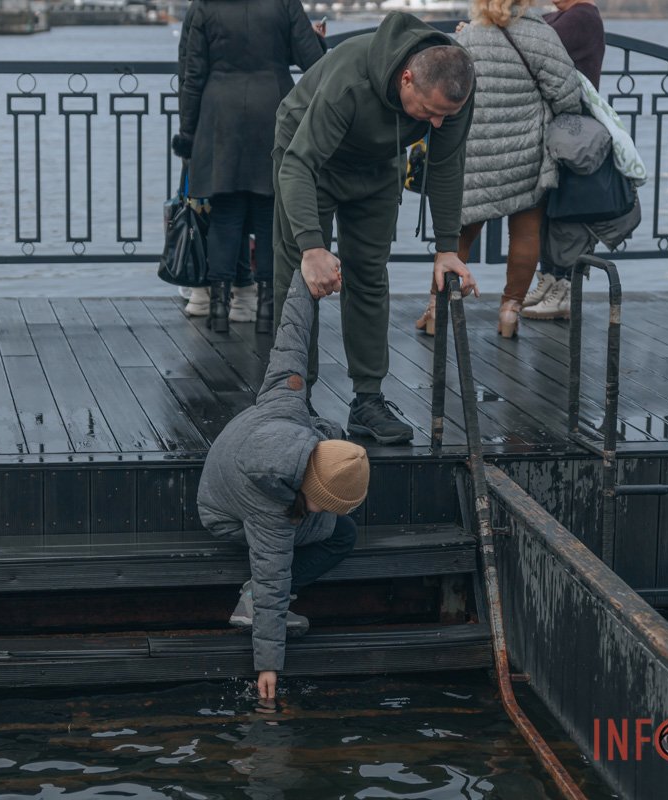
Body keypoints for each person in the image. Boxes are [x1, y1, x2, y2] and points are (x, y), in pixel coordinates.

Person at [273, 11, 478, 445]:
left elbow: (445, 166)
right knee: (298, 278)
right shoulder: (350, 79)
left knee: (368, 273)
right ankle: (292, 398)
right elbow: (298, 163)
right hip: (309, 158)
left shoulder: (453, 88)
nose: (437, 124)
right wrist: (312, 247)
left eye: (445, 115)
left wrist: (447, 249)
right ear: (406, 79)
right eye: (430, 113)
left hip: (377, 166)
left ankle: (367, 400)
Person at [197, 273, 369, 705]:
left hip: (243, 460)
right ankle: (245, 597)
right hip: (224, 512)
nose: (322, 509)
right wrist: (268, 665)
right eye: (323, 502)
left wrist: (305, 283)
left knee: (334, 526)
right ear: (308, 487)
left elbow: (292, 335)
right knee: (339, 535)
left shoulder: (288, 399)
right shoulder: (271, 508)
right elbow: (272, 576)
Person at [415, 0, 580, 339]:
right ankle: (509, 312)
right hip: (525, 153)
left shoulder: (469, 38)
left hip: (474, 154)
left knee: (459, 234)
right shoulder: (542, 36)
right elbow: (568, 97)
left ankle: (436, 310)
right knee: (525, 233)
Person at [175, 0, 326, 333]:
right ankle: (266, 311)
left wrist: (187, 133)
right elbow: (314, 63)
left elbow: (191, 75)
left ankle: (217, 310)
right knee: (269, 214)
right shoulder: (284, 3)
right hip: (273, 110)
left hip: (219, 115)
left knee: (225, 215)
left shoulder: (204, 7)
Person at [521, 0, 605, 319]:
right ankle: (550, 279)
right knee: (551, 205)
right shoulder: (563, 15)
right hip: (560, 127)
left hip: (572, 130)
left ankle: (566, 289)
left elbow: (538, 48)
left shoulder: (583, 15)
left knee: (568, 209)